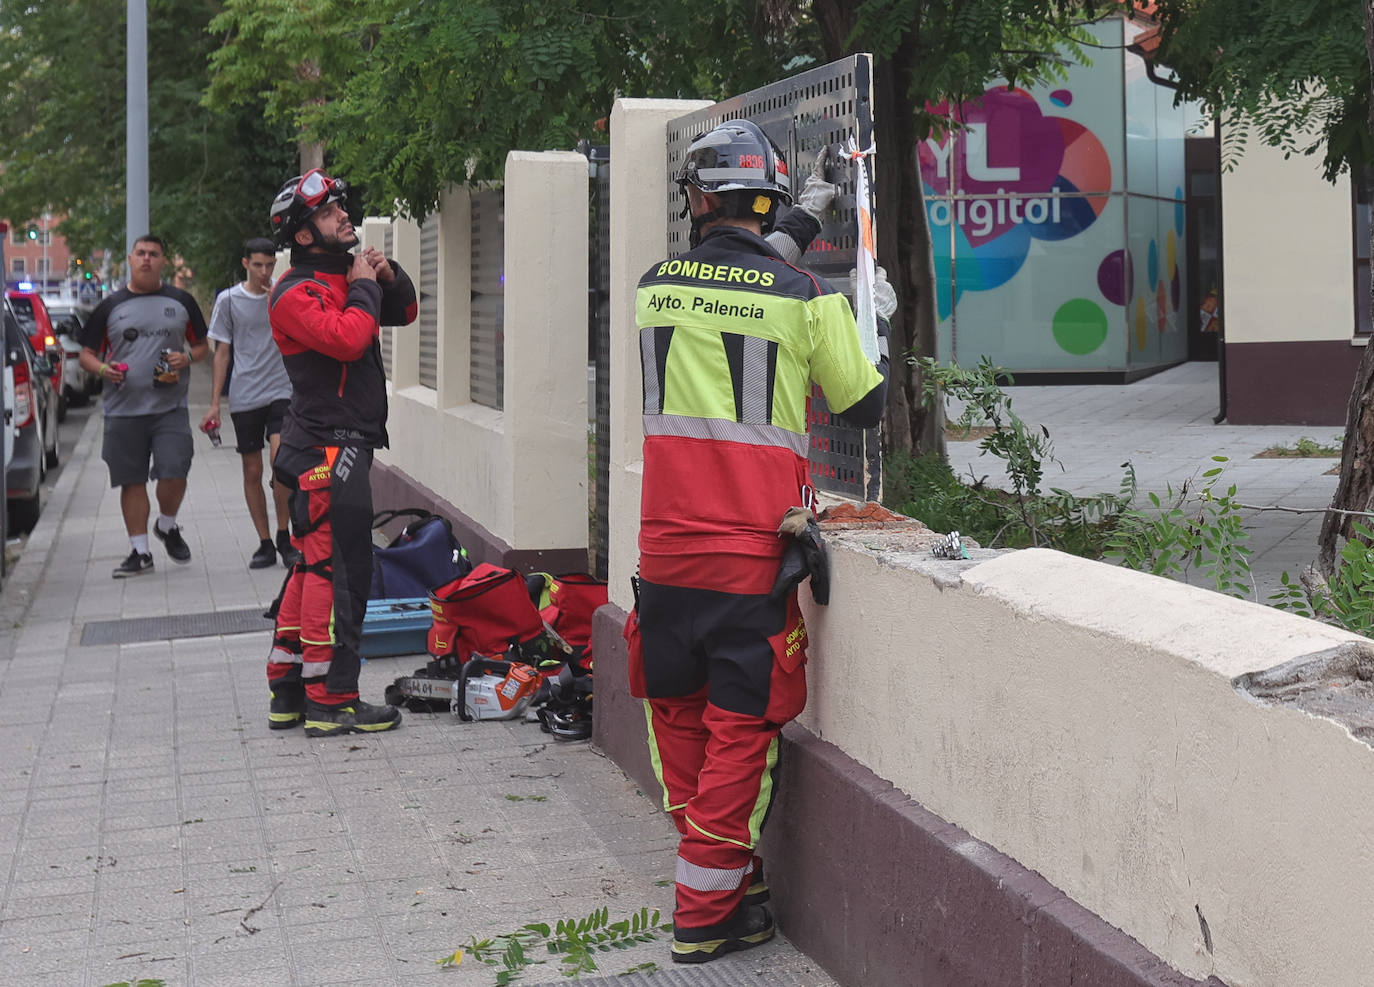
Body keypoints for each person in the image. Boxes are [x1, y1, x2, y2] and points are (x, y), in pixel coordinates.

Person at [626, 121, 889, 963]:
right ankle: (704, 908)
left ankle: (730, 881)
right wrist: (864, 322)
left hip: (665, 559)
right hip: (751, 563)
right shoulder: (806, 300)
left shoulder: (654, 286)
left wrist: (801, 220)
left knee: (681, 722)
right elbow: (863, 407)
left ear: (696, 200)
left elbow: (736, 270)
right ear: (770, 195)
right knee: (743, 734)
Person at [263, 168, 417, 737]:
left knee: (313, 567)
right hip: (327, 453)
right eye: (329, 213)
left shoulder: (341, 277)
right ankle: (332, 701)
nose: (343, 215)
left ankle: (289, 690)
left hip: (339, 447)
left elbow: (403, 312)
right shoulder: (294, 292)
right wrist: (361, 285)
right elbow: (350, 339)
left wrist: (384, 274)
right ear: (304, 235)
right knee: (341, 572)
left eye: (339, 207)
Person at [78, 235, 210, 578]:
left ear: (163, 261)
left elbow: (201, 346)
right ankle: (140, 552)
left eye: (154, 254)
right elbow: (86, 355)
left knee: (175, 469)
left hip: (169, 406)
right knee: (131, 481)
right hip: (123, 410)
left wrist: (187, 357)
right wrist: (105, 369)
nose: (147, 259)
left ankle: (166, 526)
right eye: (141, 254)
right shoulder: (110, 306)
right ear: (130, 259)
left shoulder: (181, 301)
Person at [201, 237, 303, 570]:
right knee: (252, 469)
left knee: (280, 460)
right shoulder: (228, 301)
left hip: (281, 390)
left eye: (269, 265)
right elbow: (222, 352)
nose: (264, 271)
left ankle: (284, 534)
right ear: (245, 264)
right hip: (245, 394)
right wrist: (215, 403)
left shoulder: (281, 295)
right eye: (257, 265)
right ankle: (264, 542)